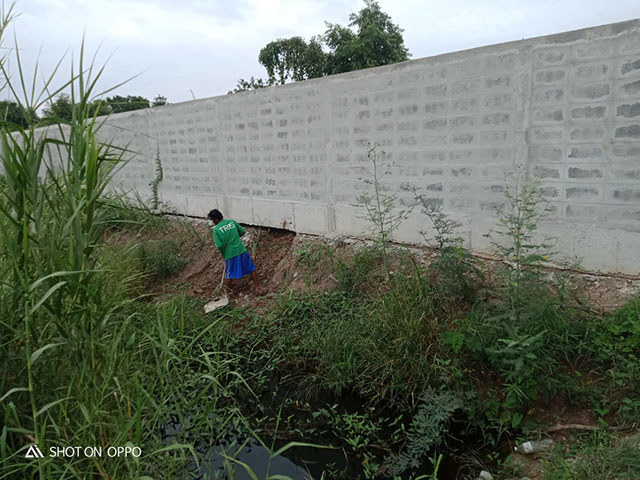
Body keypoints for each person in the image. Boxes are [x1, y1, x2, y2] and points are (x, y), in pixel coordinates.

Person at [207, 209, 260, 294]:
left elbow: (219, 245)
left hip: (230, 254)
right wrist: (235, 238)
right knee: (251, 268)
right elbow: (242, 231)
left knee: (229, 274)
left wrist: (223, 253)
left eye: (213, 220)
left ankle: (228, 294)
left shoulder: (216, 229)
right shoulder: (231, 222)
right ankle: (257, 287)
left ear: (216, 219)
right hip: (241, 250)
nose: (213, 222)